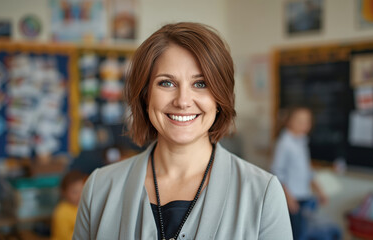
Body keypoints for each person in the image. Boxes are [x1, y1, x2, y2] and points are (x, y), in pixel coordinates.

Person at [73, 22, 292, 240]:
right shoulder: (99, 189)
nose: (183, 101)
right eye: (167, 83)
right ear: (145, 94)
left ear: (220, 98)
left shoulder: (263, 194)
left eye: (200, 84)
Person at [270, 107, 328, 240]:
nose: (305, 125)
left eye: (307, 121)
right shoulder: (284, 143)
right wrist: (289, 198)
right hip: (291, 198)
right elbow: (276, 172)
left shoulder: (302, 140)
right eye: (300, 121)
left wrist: (319, 190)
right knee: (293, 234)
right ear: (289, 121)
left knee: (302, 232)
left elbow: (307, 169)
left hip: (303, 195)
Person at [51, 170, 87, 240]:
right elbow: (66, 237)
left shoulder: (84, 207)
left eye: (83, 190)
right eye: (74, 192)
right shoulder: (62, 212)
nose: (79, 195)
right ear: (64, 192)